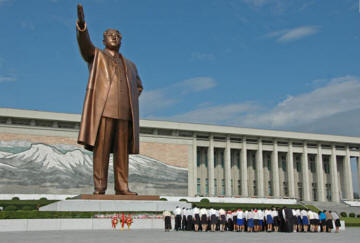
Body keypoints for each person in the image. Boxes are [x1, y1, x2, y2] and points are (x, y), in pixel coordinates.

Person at [75, 4, 143, 195]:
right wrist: (82, 27)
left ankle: (122, 186)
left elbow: (139, 86)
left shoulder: (130, 65)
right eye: (110, 35)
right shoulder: (96, 56)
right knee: (102, 151)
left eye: (118, 35)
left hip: (124, 113)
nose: (114, 37)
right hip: (104, 110)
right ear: (103, 40)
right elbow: (85, 46)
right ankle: (100, 187)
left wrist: (128, 99)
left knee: (122, 154)